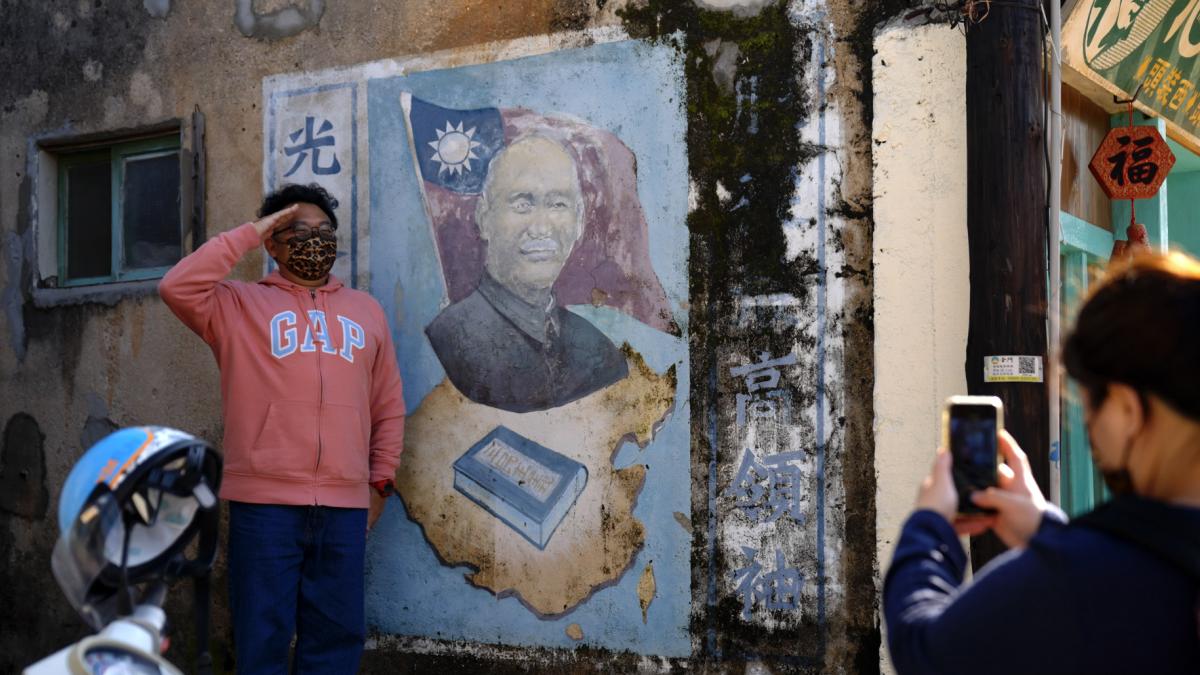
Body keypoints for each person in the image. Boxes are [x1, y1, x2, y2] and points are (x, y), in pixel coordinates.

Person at [884, 251, 1200, 674]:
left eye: (1090, 409)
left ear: (1127, 409)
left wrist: (928, 528)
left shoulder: (1078, 581)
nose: (1091, 434)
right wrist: (1050, 531)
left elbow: (923, 650)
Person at [158, 183, 405, 674]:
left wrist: (381, 481)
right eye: (296, 230)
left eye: (324, 231)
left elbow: (388, 404)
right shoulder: (235, 305)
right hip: (265, 506)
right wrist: (249, 233)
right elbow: (176, 286)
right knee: (262, 636)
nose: (315, 240)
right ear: (272, 242)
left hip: (344, 505)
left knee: (336, 638)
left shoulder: (366, 311)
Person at [425, 135, 628, 413]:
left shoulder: (599, 353)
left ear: (579, 221)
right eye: (523, 204)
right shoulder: (446, 341)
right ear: (484, 217)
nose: (541, 228)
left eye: (558, 205)